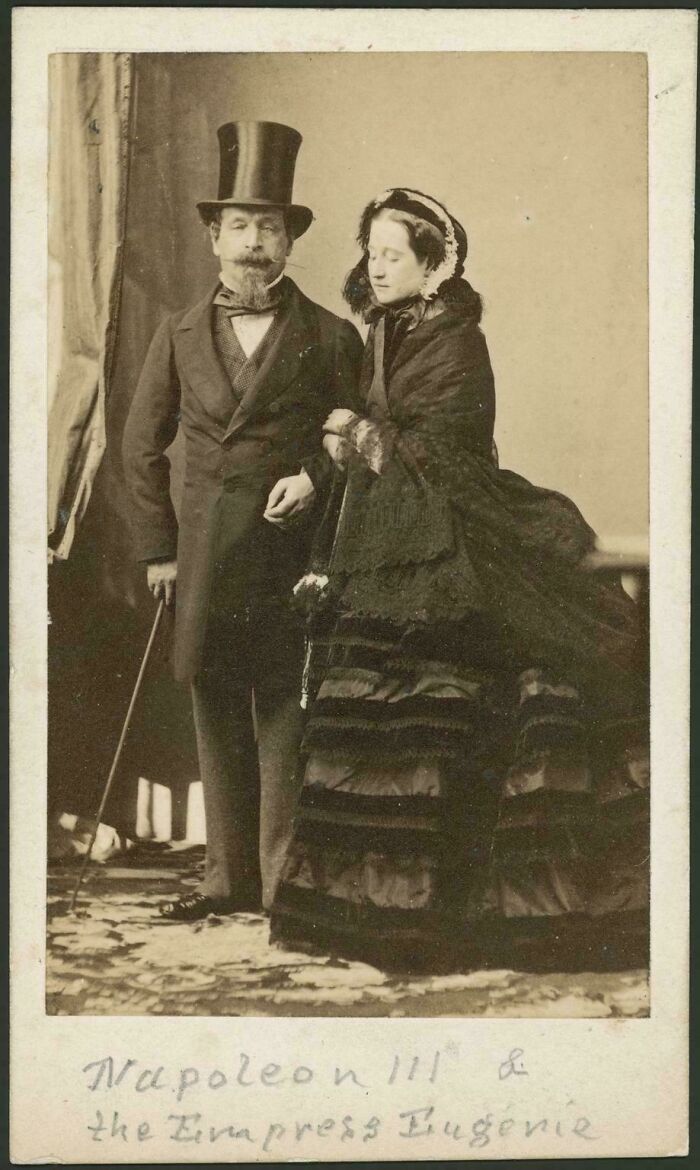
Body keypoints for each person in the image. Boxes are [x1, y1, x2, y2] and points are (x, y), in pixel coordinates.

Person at [270, 187, 649, 972]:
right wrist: (326, 461)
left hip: (453, 527)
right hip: (385, 533)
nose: (375, 267)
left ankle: (450, 911)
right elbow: (374, 434)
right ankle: (377, 909)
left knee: (457, 693)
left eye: (392, 254)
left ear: (434, 264)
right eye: (369, 252)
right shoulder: (383, 334)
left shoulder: (458, 341)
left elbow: (443, 450)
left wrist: (353, 433)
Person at [122, 122, 363, 920]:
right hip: (203, 559)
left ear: (290, 242)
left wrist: (312, 474)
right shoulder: (177, 332)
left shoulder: (332, 336)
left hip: (290, 559)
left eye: (271, 228)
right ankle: (226, 882)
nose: (254, 245)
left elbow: (365, 439)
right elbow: (138, 449)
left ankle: (283, 884)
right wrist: (161, 551)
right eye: (240, 227)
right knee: (214, 705)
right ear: (212, 236)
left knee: (283, 716)